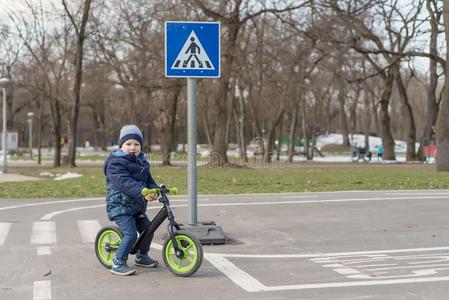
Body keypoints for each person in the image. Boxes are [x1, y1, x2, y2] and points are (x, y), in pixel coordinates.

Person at [104, 125, 159, 276]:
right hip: (120, 206)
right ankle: (118, 262)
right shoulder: (115, 163)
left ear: (141, 146)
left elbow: (148, 179)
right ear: (121, 145)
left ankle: (142, 256)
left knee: (148, 229)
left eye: (136, 144)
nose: (132, 147)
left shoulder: (141, 161)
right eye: (128, 144)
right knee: (130, 234)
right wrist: (142, 192)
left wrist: (155, 190)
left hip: (136, 206)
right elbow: (124, 183)